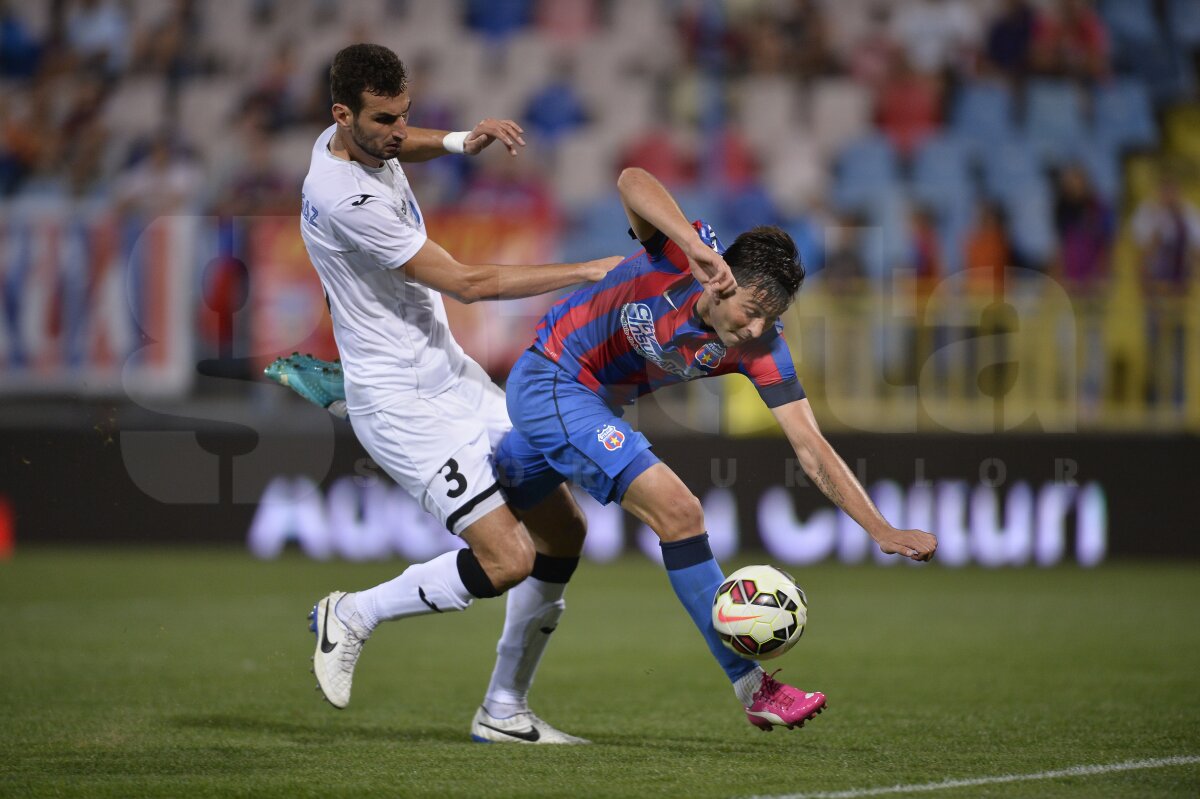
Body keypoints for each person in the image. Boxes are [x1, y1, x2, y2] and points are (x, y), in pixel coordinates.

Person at [494, 167, 938, 731]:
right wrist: (684, 239)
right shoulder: (685, 256)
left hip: (582, 409)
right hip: (550, 376)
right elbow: (631, 179)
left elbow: (811, 446)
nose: (756, 329)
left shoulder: (761, 350)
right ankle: (753, 686)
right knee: (680, 512)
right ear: (722, 280)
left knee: (490, 546)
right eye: (751, 311)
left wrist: (881, 529)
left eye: (770, 319)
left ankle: (365, 615)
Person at [292, 43, 626, 745]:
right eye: (385, 120)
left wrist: (453, 140)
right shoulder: (341, 194)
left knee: (564, 529)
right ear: (341, 115)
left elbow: (397, 142)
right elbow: (469, 283)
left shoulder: (354, 140)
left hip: (452, 374)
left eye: (405, 115)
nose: (397, 131)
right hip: (401, 404)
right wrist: (585, 269)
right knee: (509, 559)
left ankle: (503, 708)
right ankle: (352, 612)